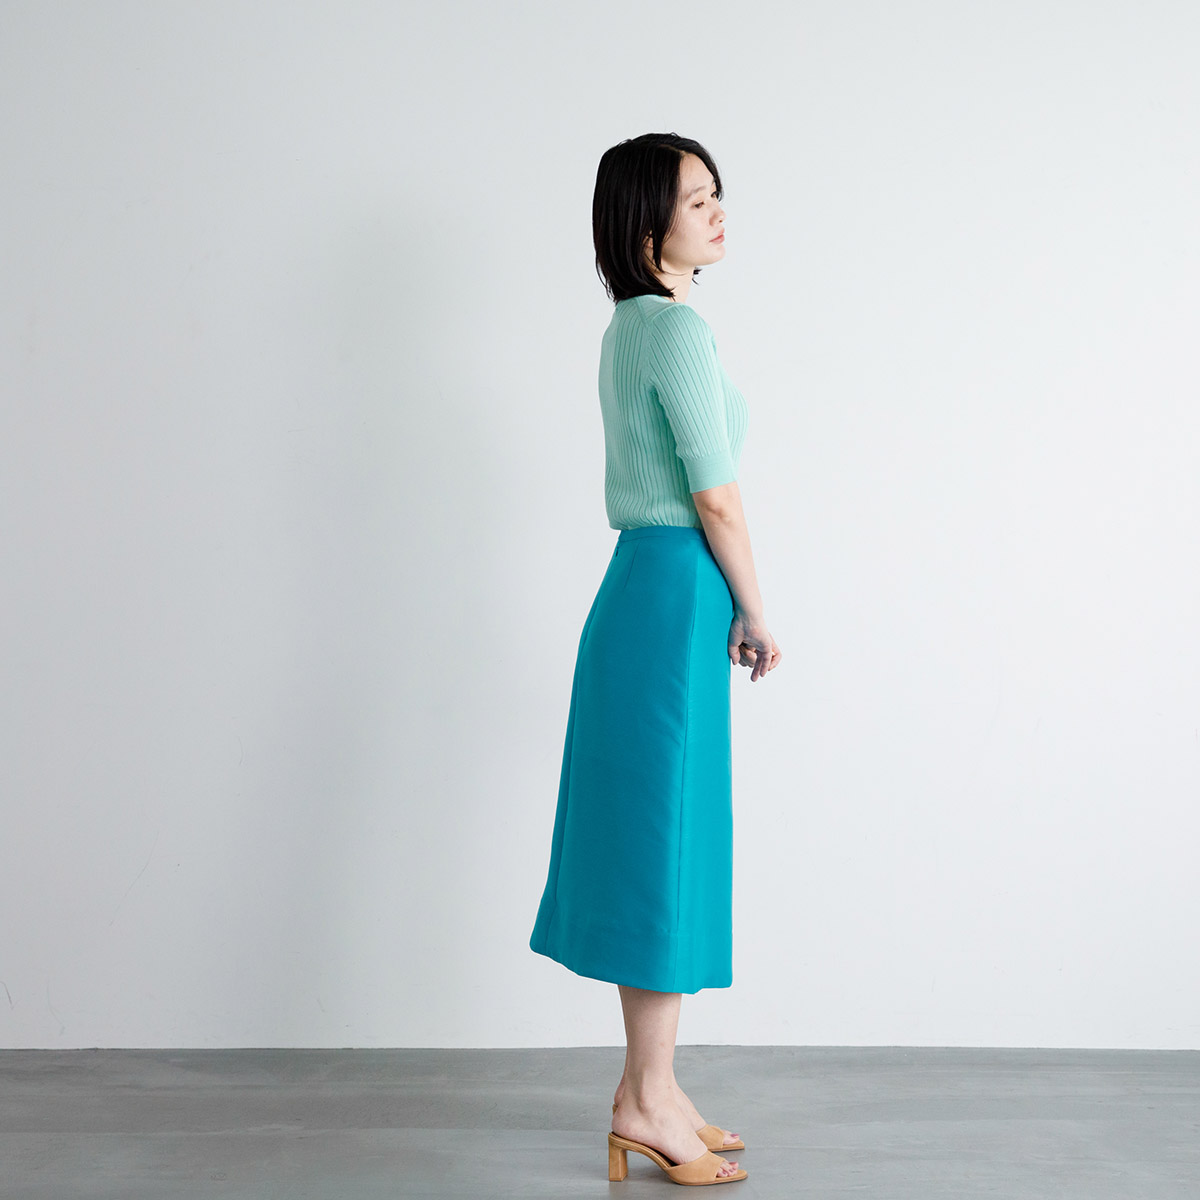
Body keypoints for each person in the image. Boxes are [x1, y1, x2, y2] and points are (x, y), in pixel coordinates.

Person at [529, 133, 781, 1187]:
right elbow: (714, 494)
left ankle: (656, 1091)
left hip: (649, 588)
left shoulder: (629, 329)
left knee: (659, 846)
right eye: (696, 198)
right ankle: (644, 1098)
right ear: (646, 228)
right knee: (663, 848)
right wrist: (757, 606)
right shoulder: (674, 331)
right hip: (675, 590)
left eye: (718, 193)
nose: (718, 211)